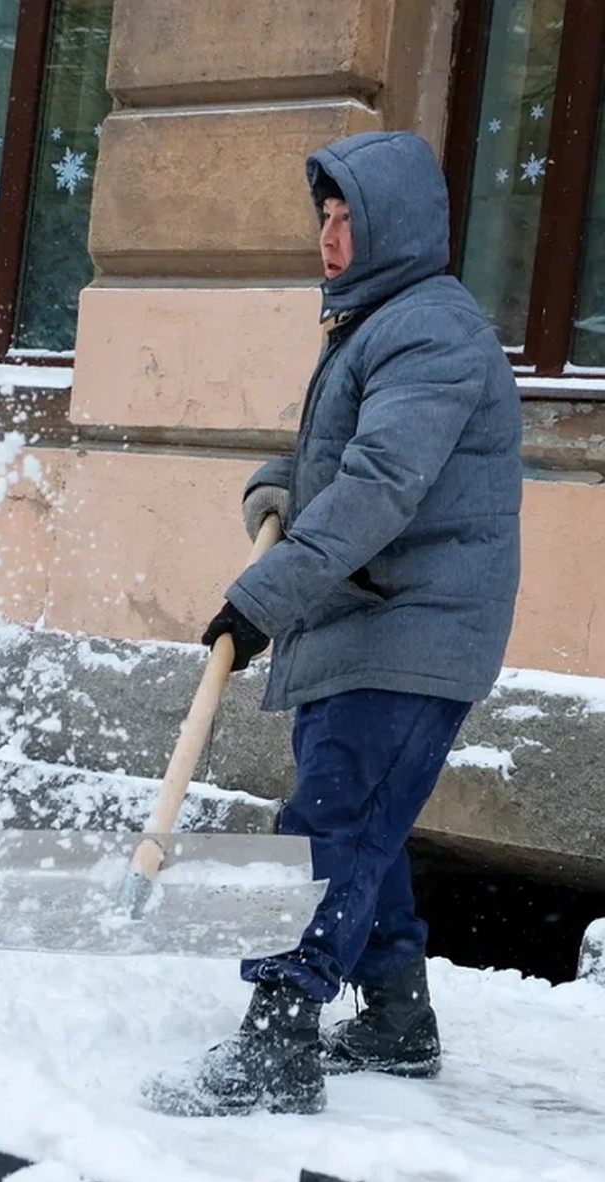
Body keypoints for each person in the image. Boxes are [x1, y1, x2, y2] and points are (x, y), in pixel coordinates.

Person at [142, 130, 522, 1117]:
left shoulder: (432, 332)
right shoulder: (377, 325)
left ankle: (277, 1042)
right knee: (363, 823)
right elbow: (342, 461)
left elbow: (379, 488)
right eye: (324, 215)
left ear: (396, 224)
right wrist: (282, 481)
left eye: (349, 215)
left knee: (324, 831)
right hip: (369, 622)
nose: (331, 234)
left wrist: (262, 601)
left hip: (410, 630)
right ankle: (397, 1019)